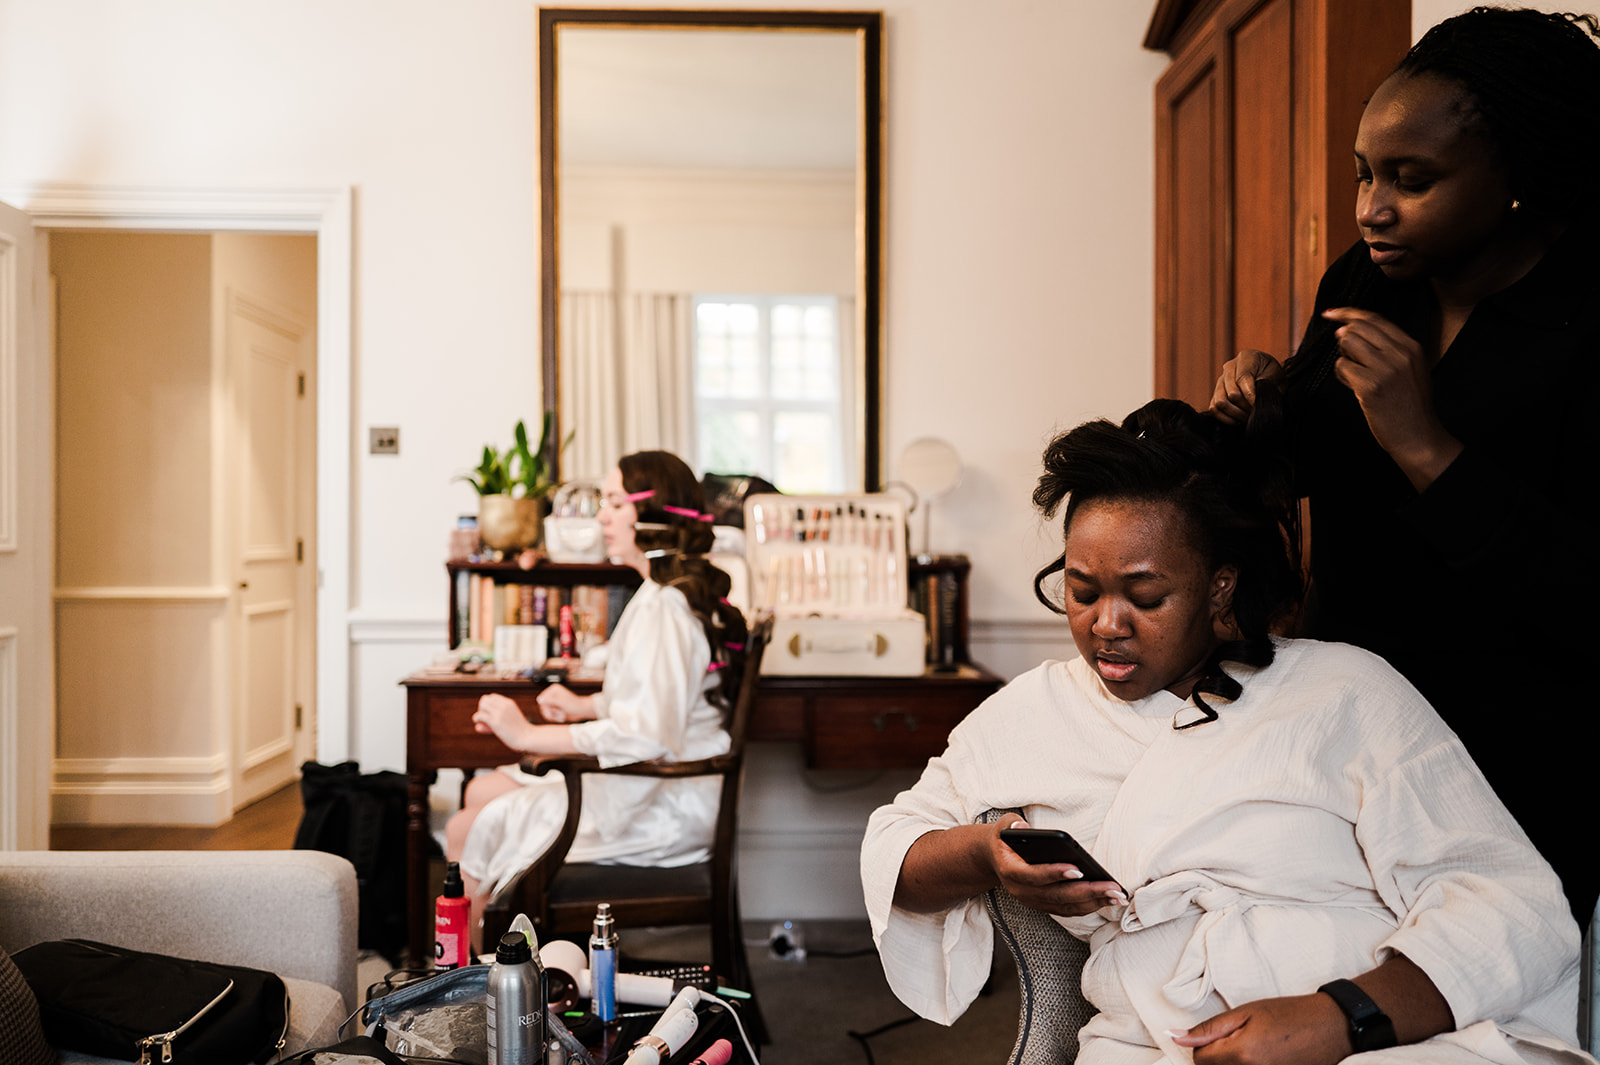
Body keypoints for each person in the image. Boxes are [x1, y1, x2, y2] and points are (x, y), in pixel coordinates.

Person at [862, 399, 1591, 1065]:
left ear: (1220, 587)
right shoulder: (1032, 713)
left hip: (1388, 1033)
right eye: (1082, 591)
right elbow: (897, 850)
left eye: (1144, 596)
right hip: (1151, 1041)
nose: (1105, 624)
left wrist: (1339, 1017)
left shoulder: (1344, 692)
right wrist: (988, 855)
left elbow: (1507, 898)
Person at [1208, 6, 1599, 922]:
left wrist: (1427, 447)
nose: (1369, 207)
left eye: (1410, 179)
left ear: (1518, 176)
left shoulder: (1588, 321)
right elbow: (1302, 469)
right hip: (1347, 728)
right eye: (1364, 173)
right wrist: (1260, 411)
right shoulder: (1365, 277)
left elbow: (1585, 596)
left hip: (1515, 764)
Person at [444, 450, 747, 939]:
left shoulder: (665, 609)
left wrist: (532, 735)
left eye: (614, 503)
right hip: (650, 781)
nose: (601, 516)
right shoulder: (657, 595)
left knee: (466, 827)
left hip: (662, 797)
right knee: (481, 792)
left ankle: (476, 987)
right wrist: (585, 707)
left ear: (652, 516)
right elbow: (661, 702)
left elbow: (647, 734)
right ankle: (477, 967)